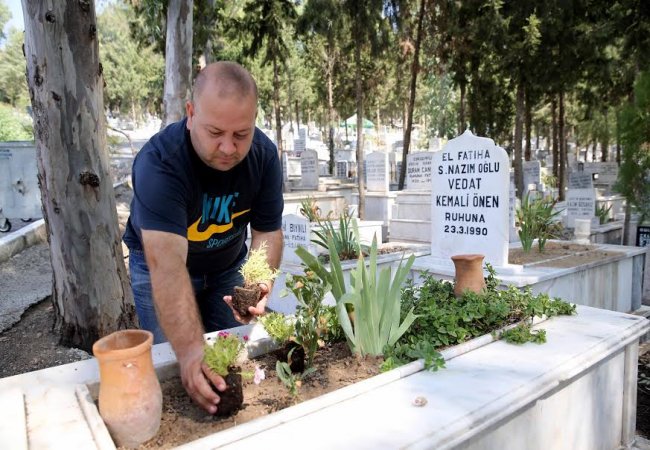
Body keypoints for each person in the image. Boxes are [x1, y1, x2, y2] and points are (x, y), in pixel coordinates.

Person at [122, 61, 284, 414]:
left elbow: (267, 231)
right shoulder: (160, 162)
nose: (228, 148)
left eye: (241, 134)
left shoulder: (264, 156)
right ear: (191, 113)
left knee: (230, 356)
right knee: (175, 363)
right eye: (215, 133)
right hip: (160, 269)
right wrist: (191, 351)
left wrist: (257, 283)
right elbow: (165, 264)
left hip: (227, 266)